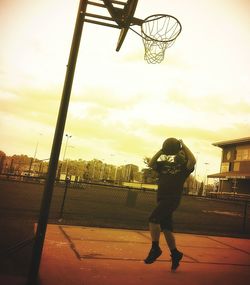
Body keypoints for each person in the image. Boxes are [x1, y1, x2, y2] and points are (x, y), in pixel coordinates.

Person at [144, 137, 196, 271]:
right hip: (161, 198)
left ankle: (155, 248)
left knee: (153, 219)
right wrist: (162, 150)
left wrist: (183, 146)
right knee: (166, 229)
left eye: (182, 154)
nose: (180, 154)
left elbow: (193, 160)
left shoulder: (185, 168)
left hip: (172, 199)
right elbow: (151, 163)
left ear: (184, 157)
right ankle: (176, 254)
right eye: (178, 152)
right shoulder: (165, 165)